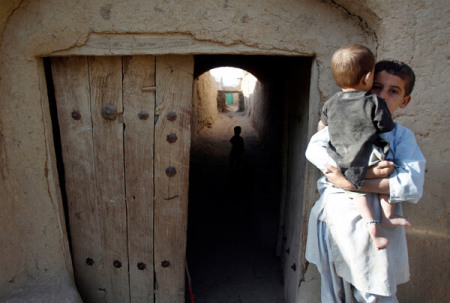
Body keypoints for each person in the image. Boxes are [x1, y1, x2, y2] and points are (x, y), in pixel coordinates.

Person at [305, 60, 426, 302]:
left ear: (405, 101)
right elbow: (316, 153)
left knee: (374, 295)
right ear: (365, 88)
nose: (382, 96)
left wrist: (349, 182)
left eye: (393, 91)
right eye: (377, 87)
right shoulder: (338, 128)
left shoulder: (401, 136)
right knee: (334, 294)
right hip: (333, 223)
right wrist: (371, 174)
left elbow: (411, 184)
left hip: (374, 236)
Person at [317, 45, 409, 250]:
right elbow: (386, 128)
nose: (383, 94)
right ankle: (388, 215)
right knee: (387, 170)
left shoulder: (330, 103)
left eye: (393, 91)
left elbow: (322, 129)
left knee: (358, 194)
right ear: (367, 78)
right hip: (368, 154)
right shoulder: (374, 102)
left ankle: (371, 223)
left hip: (341, 158)